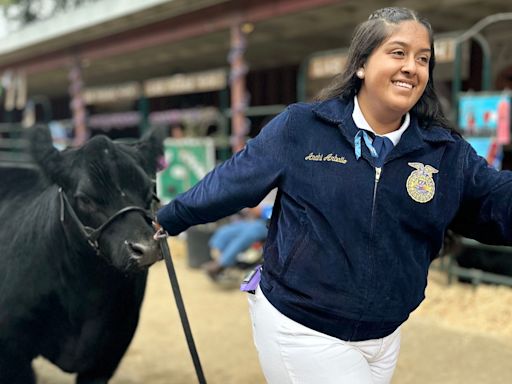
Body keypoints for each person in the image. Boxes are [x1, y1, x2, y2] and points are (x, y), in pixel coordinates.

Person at [154, 7, 512, 383]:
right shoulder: (304, 128)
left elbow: (494, 201)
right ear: (360, 64)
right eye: (398, 52)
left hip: (383, 335)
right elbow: (231, 181)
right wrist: (168, 218)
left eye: (423, 59)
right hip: (302, 327)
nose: (412, 67)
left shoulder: (444, 151)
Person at [203, 195, 274, 280]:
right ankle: (223, 262)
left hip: (270, 224)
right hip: (255, 220)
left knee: (248, 234)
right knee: (225, 232)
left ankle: (221, 264)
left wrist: (262, 211)